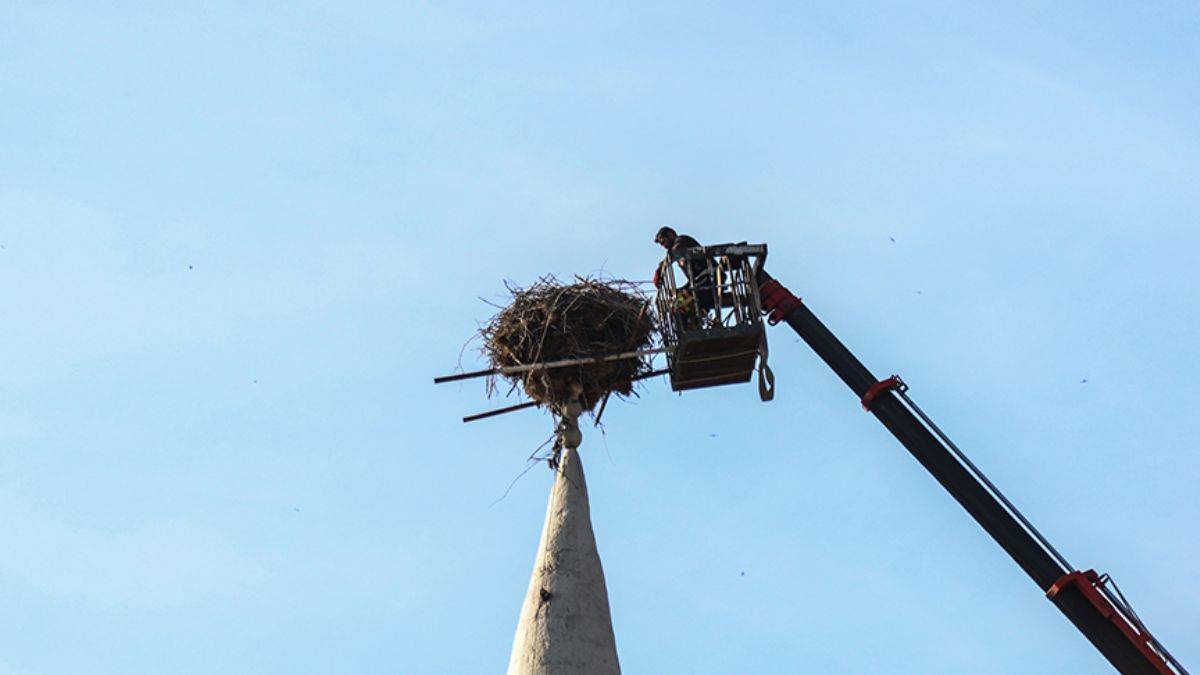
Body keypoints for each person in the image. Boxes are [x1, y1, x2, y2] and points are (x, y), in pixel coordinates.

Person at [653, 226, 716, 320]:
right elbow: (693, 280)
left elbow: (675, 250)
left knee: (679, 304)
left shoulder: (682, 240)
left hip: (710, 277)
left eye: (663, 242)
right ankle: (693, 325)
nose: (664, 246)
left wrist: (660, 269)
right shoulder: (678, 256)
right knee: (679, 301)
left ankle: (694, 322)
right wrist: (680, 290)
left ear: (670, 235)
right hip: (701, 282)